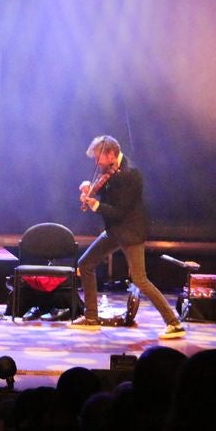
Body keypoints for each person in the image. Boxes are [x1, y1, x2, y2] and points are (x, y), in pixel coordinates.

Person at [72, 135, 185, 339]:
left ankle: (174, 323)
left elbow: (119, 211)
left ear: (111, 154)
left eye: (99, 158)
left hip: (130, 232)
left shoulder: (130, 174)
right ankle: (91, 318)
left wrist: (95, 205)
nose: (96, 163)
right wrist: (87, 186)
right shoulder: (111, 170)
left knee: (140, 280)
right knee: (85, 263)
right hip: (115, 230)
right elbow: (104, 190)